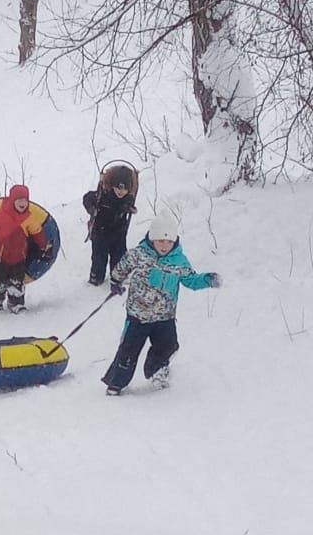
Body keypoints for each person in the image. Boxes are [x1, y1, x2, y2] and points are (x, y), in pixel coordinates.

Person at [102, 214, 220, 395]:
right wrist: (116, 282)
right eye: (160, 241)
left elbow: (190, 280)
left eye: (168, 241)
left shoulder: (179, 261)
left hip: (165, 317)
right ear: (152, 238)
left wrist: (206, 280)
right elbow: (122, 266)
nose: (164, 245)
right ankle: (116, 384)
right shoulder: (139, 254)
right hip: (138, 317)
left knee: (169, 346)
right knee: (128, 352)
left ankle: (156, 370)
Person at [0, 184, 52, 314]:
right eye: (19, 200)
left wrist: (44, 246)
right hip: (0, 257)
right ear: (12, 200)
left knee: (17, 281)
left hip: (19, 258)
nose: (22, 203)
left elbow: (37, 233)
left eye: (25, 200)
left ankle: (16, 303)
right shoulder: (1, 216)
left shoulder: (29, 218)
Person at [83, 164, 137, 286]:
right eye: (118, 188)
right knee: (99, 258)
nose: (121, 192)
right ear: (112, 185)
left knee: (119, 256)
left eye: (124, 189)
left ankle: (118, 277)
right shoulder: (102, 194)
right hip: (100, 232)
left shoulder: (127, 198)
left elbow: (128, 206)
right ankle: (96, 278)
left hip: (118, 233)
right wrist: (91, 208)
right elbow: (87, 198)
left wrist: (129, 208)